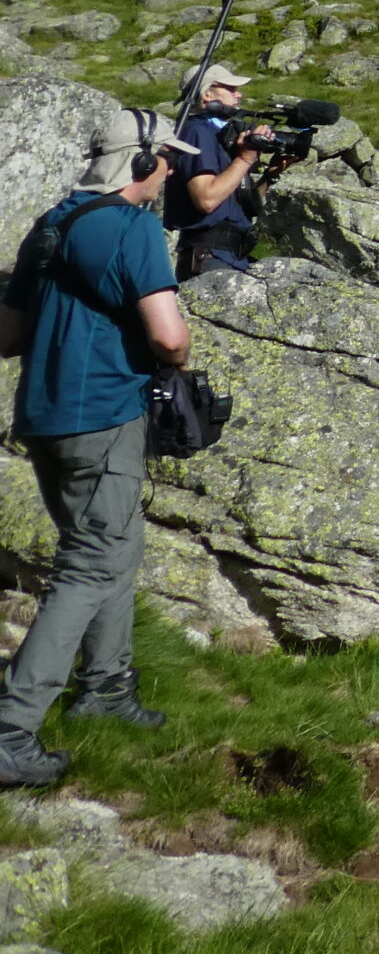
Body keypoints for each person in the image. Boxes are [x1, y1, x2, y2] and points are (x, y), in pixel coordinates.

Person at [0, 109, 196, 785]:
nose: (169, 171)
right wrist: (175, 358)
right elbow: (169, 336)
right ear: (141, 162)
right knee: (89, 563)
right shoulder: (134, 227)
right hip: (103, 418)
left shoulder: (53, 223)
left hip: (44, 416)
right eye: (166, 158)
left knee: (116, 546)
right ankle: (13, 728)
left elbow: (7, 335)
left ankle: (107, 688)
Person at [164, 63, 275, 280]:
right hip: (210, 257)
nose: (238, 95)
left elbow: (239, 204)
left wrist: (271, 174)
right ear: (207, 95)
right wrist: (245, 158)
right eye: (231, 89)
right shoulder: (197, 132)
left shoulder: (219, 134)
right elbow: (206, 199)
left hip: (230, 255)